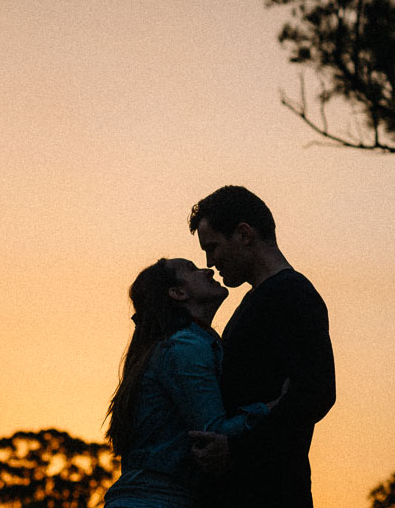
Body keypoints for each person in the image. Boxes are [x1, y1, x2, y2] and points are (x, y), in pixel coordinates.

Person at [185, 185, 335, 508]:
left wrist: (238, 450)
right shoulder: (255, 302)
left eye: (213, 247)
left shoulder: (293, 295)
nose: (210, 262)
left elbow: (317, 391)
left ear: (244, 234)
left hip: (274, 493)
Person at [103, 258, 277, 508]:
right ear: (178, 293)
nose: (207, 269)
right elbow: (211, 433)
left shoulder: (178, 345)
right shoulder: (185, 347)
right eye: (192, 269)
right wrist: (272, 408)